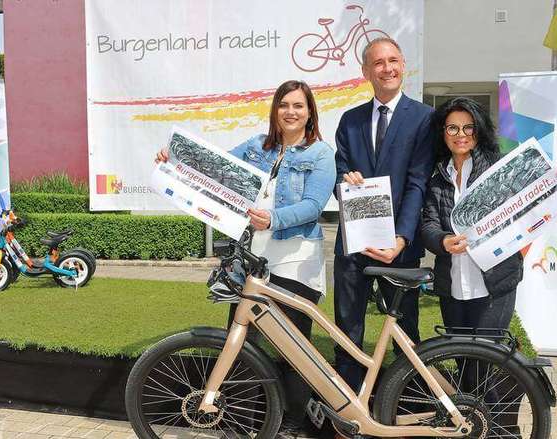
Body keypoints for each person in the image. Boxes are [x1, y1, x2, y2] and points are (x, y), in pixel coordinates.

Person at [156, 80, 336, 438]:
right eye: (284, 104)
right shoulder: (257, 146)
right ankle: (241, 424)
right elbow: (215, 167)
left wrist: (275, 218)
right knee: (240, 344)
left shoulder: (320, 153)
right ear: (275, 109)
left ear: (310, 112)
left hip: (296, 261)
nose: (291, 111)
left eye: (299, 106)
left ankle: (291, 424)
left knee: (294, 350)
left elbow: (314, 205)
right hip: (251, 263)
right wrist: (172, 159)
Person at [421, 96, 557, 333]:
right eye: (453, 127)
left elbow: (542, 190)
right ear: (443, 133)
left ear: (479, 130)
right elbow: (429, 225)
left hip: (496, 283)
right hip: (452, 284)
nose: (461, 134)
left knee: (487, 356)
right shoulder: (437, 178)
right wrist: (443, 240)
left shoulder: (499, 168)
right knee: (459, 355)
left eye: (469, 127)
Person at [333, 37, 434, 392]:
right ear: (366, 72)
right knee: (347, 330)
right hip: (353, 247)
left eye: (393, 60)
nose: (387, 68)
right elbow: (338, 175)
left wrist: (401, 238)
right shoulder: (349, 121)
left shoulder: (424, 119)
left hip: (400, 248)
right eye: (378, 62)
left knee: (406, 333)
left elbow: (417, 183)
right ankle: (348, 408)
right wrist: (346, 183)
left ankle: (411, 405)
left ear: (403, 64)